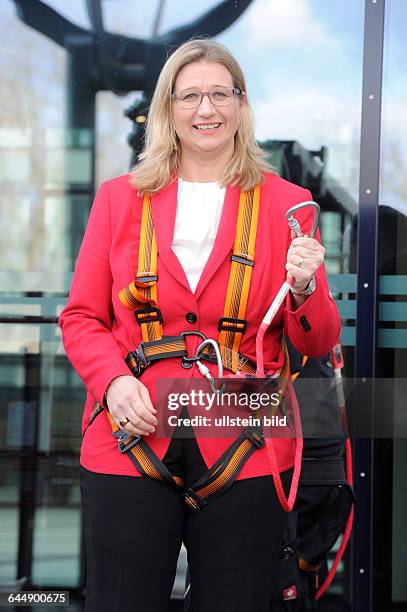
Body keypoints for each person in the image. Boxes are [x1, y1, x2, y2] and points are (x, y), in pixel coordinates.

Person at [59, 38, 340, 612]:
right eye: (190, 96)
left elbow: (316, 340)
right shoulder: (118, 200)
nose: (205, 109)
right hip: (132, 428)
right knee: (121, 600)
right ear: (168, 109)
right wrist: (113, 383)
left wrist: (306, 288)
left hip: (246, 434)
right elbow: (82, 316)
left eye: (219, 93)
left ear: (241, 104)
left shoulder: (291, 204)